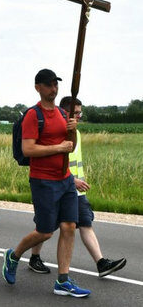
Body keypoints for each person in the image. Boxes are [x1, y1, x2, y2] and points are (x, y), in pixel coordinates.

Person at [2, 69, 90, 297]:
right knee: (45, 232)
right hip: (43, 181)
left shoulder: (63, 113)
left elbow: (68, 143)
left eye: (55, 84)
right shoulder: (33, 115)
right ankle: (14, 255)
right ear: (38, 87)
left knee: (70, 226)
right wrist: (58, 148)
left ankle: (63, 280)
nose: (54, 88)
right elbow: (28, 149)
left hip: (65, 180)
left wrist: (72, 130)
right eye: (49, 84)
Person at [28, 96, 127, 277]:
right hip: (58, 186)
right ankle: (33, 257)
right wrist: (72, 181)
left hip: (75, 191)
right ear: (64, 112)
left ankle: (101, 263)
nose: (79, 116)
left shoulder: (77, 133)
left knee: (85, 222)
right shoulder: (57, 132)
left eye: (80, 112)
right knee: (45, 228)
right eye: (76, 113)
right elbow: (55, 160)